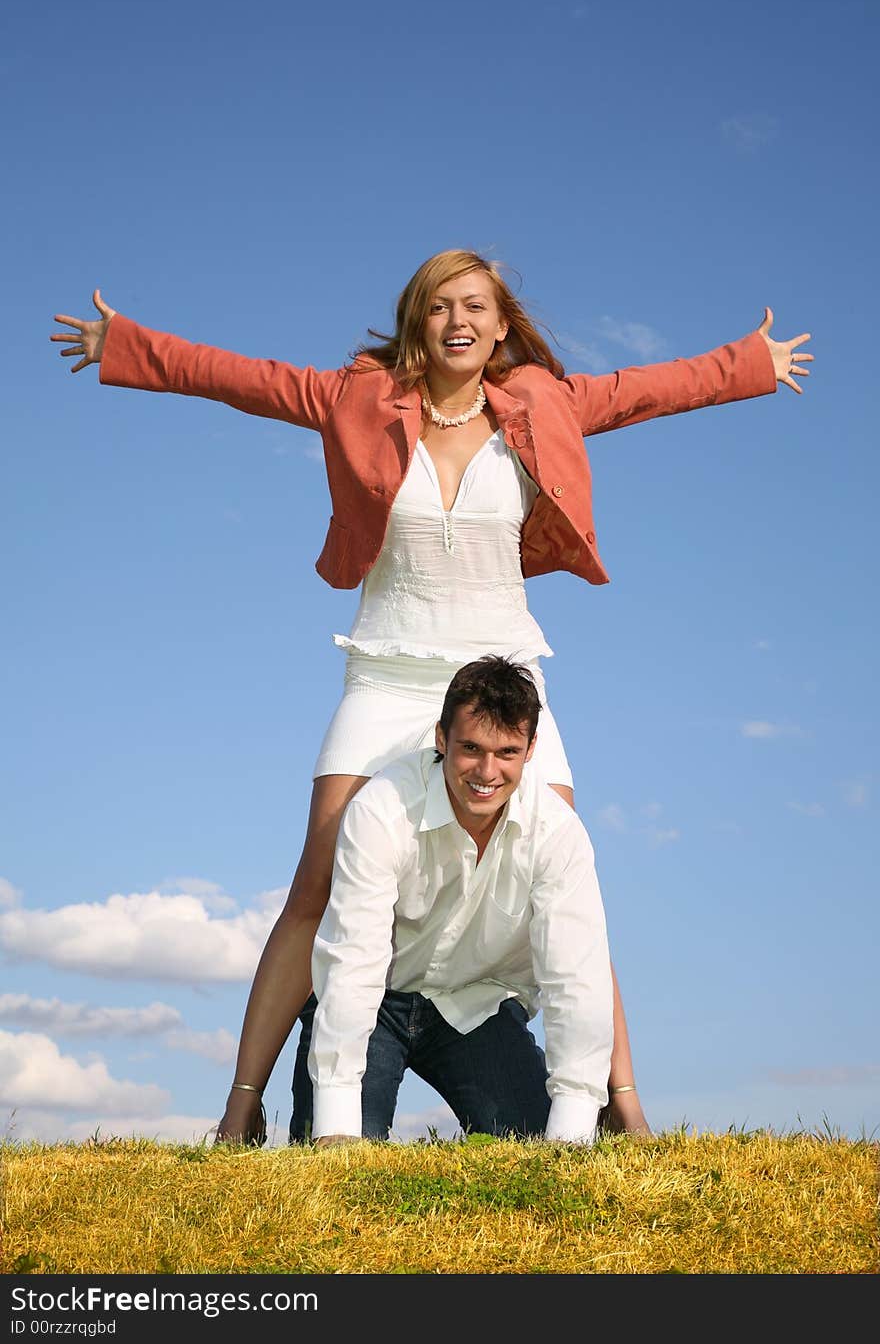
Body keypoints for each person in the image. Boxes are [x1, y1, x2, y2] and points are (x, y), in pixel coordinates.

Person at [50, 249, 813, 1143]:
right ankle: (241, 1106)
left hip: (501, 673)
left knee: (563, 877)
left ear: (499, 323)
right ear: (419, 319)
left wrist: (751, 364)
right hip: (390, 666)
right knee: (319, 879)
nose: (459, 319)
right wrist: (127, 346)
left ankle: (622, 1106)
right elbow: (246, 380)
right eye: (441, 304)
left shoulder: (541, 403)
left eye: (476, 306)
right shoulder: (360, 399)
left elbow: (648, 390)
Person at [294, 655, 614, 1148]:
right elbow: (353, 957)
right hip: (376, 1002)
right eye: (470, 749)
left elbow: (576, 978)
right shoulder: (381, 809)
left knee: (536, 1146)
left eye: (507, 751)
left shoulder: (558, 834)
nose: (487, 771)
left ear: (531, 750)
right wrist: (336, 1124)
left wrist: (571, 1132)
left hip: (477, 1004)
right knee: (338, 1166)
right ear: (441, 739)